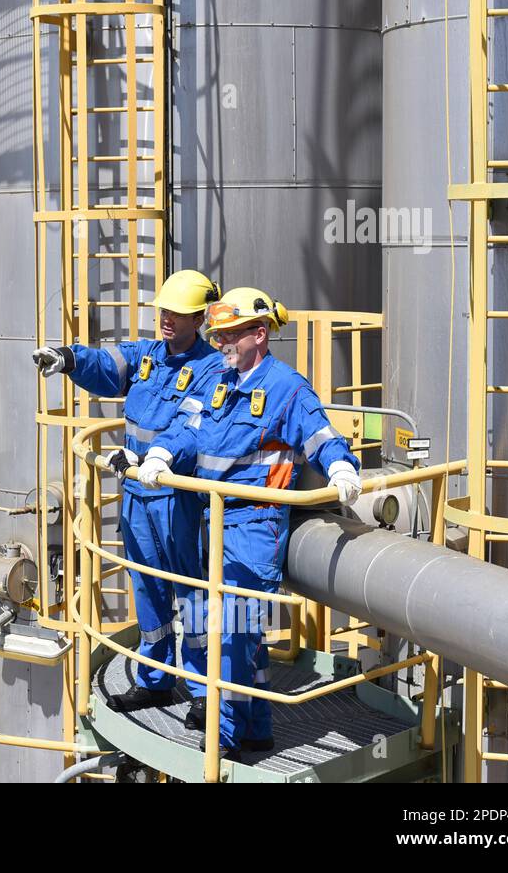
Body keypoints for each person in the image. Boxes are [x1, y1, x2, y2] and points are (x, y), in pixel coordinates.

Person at [137, 287, 362, 761]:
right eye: (218, 336)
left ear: (259, 335)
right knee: (245, 637)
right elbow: (188, 427)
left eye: (231, 336)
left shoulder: (286, 387)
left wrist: (342, 467)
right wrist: (160, 451)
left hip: (253, 527)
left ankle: (223, 742)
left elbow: (320, 434)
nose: (221, 345)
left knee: (232, 633)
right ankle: (257, 728)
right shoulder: (222, 377)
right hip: (212, 519)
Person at [33, 270, 227, 712]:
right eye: (163, 311)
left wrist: (151, 458)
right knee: (147, 588)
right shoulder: (148, 356)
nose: (167, 320)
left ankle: (202, 692)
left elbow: (192, 426)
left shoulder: (212, 368)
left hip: (179, 498)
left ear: (199, 319)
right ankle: (155, 679)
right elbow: (107, 366)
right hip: (138, 497)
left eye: (178, 314)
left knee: (191, 591)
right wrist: (67, 359)